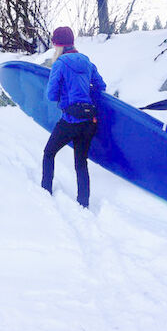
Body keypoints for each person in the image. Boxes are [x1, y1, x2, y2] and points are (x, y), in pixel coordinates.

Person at [41, 26, 106, 208]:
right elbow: (101, 86)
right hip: (88, 123)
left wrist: (65, 94)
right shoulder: (86, 61)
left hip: (69, 122)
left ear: (58, 45)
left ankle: (45, 191)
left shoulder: (60, 64)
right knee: (81, 163)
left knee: (49, 153)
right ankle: (83, 203)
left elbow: (51, 95)